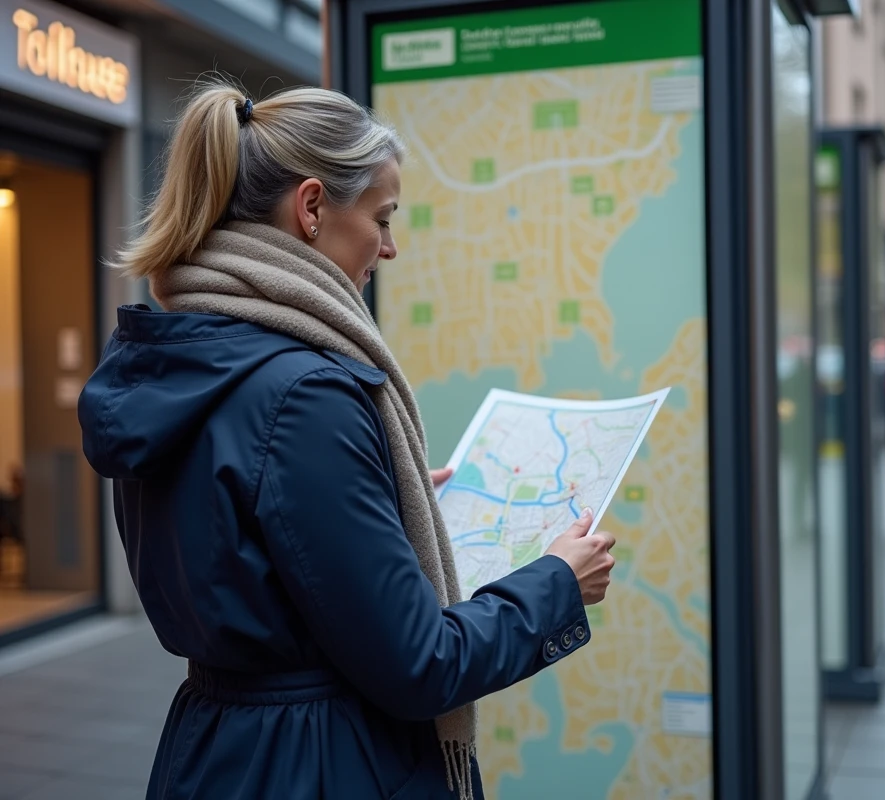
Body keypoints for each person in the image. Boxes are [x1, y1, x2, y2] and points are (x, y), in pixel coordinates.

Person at [77, 81, 618, 800]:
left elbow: (241, 531)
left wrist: (372, 500)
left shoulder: (173, 360)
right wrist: (556, 584)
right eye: (382, 218)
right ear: (310, 209)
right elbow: (421, 665)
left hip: (216, 752)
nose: (388, 249)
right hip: (323, 764)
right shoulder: (305, 394)